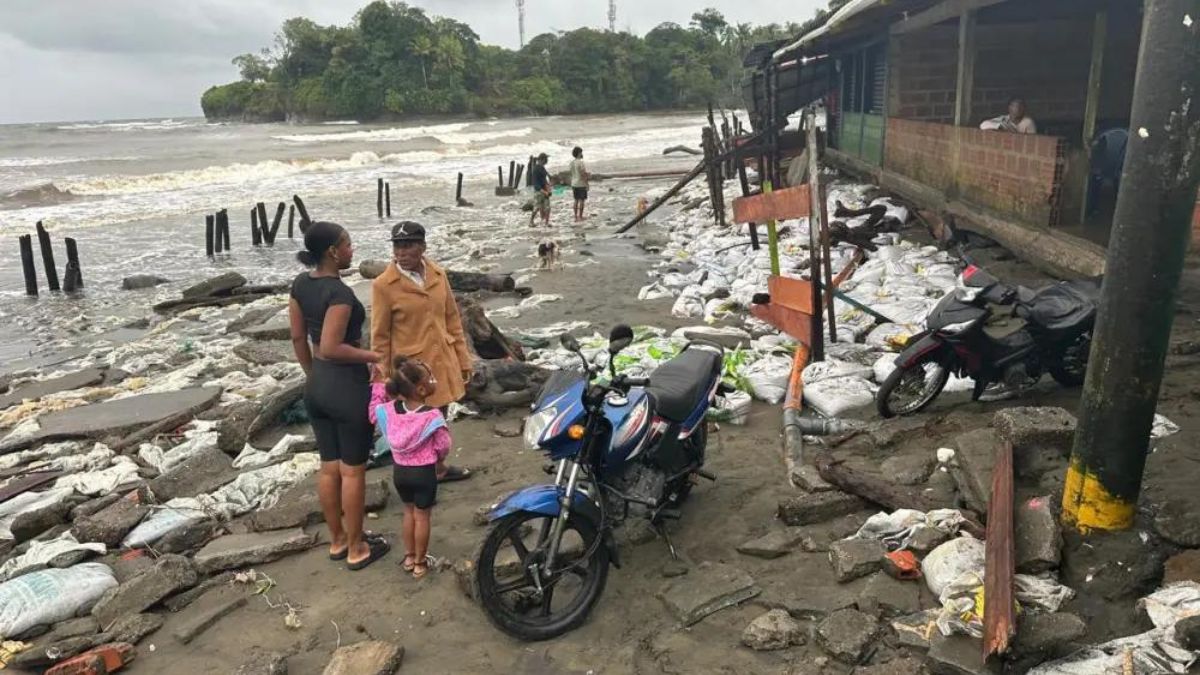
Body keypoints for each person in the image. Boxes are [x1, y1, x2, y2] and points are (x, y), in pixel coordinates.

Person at [288, 221, 390, 571]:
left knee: (329, 467)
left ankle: (337, 540)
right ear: (332, 251)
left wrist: (312, 376)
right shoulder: (340, 294)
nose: (352, 250)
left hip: (317, 386)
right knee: (353, 471)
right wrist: (374, 357)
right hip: (345, 388)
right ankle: (358, 548)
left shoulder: (300, 284)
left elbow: (301, 339)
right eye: (347, 244)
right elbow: (333, 347)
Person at [370, 221, 474, 483]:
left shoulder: (438, 275)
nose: (401, 253)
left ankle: (438, 468)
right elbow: (380, 336)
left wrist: (463, 358)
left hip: (442, 359)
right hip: (410, 370)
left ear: (422, 247)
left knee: (440, 415)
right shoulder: (384, 285)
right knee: (415, 422)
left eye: (408, 246)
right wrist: (382, 377)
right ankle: (421, 472)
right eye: (397, 247)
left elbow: (452, 319)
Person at [369, 357, 450, 580]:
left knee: (408, 512)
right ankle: (420, 564)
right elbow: (443, 445)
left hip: (400, 472)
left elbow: (373, 411)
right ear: (422, 389)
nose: (435, 380)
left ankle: (409, 557)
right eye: (431, 378)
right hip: (424, 473)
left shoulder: (390, 412)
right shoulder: (432, 415)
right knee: (422, 516)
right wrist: (440, 462)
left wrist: (377, 384)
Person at [530, 152, 552, 227]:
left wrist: (548, 187)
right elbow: (536, 184)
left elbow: (545, 179)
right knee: (536, 208)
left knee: (547, 207)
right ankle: (531, 221)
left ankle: (546, 222)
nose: (547, 161)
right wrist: (545, 191)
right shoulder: (536, 169)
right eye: (546, 159)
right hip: (539, 191)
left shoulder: (542, 167)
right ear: (542, 160)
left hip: (545, 189)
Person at [569, 146, 589, 222]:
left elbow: (572, 173)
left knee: (576, 200)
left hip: (574, 183)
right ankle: (580, 216)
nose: (582, 154)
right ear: (578, 153)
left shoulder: (571, 163)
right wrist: (587, 183)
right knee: (582, 200)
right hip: (581, 183)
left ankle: (575, 216)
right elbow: (582, 174)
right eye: (581, 152)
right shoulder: (581, 163)